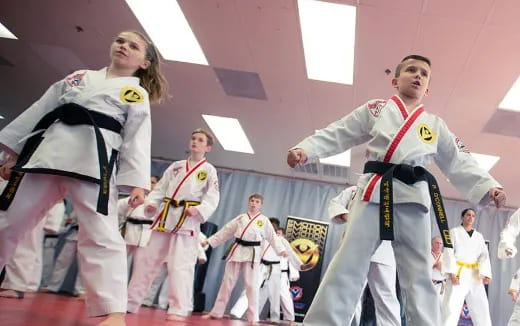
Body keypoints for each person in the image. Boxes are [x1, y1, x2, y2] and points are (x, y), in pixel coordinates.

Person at [286, 55, 506, 326]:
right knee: (347, 263)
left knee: (419, 274)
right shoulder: (376, 109)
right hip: (374, 192)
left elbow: (459, 159)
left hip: (413, 198)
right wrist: (305, 150)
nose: (418, 75)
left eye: (424, 74)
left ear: (428, 88)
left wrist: (490, 186)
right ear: (394, 80)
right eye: (411, 70)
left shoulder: (434, 125)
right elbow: (340, 131)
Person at [0, 30, 167, 326]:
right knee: (8, 221)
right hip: (47, 154)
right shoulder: (78, 76)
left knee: (101, 236)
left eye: (133, 46)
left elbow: (137, 138)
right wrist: (13, 153)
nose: (123, 47)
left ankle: (114, 311)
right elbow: (41, 109)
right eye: (119, 41)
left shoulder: (135, 92)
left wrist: (138, 182)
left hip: (94, 163)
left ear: (144, 62)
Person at [127, 128, 220, 321]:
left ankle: (178, 308)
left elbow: (213, 197)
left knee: (181, 265)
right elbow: (160, 189)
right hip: (165, 216)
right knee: (146, 260)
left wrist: (199, 210)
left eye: (200, 140)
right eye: (193, 138)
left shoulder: (209, 170)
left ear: (208, 147)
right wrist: (152, 203)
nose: (195, 142)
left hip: (187, 219)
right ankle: (131, 301)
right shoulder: (176, 166)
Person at [202, 193, 288, 323]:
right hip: (237, 251)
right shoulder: (241, 218)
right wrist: (209, 241)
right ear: (249, 202)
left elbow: (272, 237)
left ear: (261, 205)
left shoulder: (264, 221)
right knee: (227, 284)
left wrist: (281, 250)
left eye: (257, 202)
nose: (254, 203)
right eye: (252, 201)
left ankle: (253, 318)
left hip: (252, 254)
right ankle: (216, 312)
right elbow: (226, 231)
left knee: (252, 286)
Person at [328, 186, 401, 326]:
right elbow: (335, 203)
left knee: (386, 296)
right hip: (355, 245)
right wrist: (347, 215)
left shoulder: (396, 190)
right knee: (348, 293)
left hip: (384, 249)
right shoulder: (356, 189)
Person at [441, 208, 492, 326]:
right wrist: (452, 273)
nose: (470, 218)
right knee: (451, 306)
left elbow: (484, 256)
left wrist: (486, 274)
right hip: (458, 272)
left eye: (473, 216)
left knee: (481, 306)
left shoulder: (479, 236)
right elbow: (448, 252)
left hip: (474, 274)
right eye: (468, 215)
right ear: (462, 217)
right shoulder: (453, 232)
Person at [431, 236, 446, 302]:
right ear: (432, 244)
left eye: (440, 243)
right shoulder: (426, 255)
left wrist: (442, 268)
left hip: (441, 285)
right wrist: (433, 266)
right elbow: (421, 269)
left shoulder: (445, 256)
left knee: (440, 306)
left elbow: (450, 272)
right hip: (429, 284)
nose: (439, 245)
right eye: (437, 243)